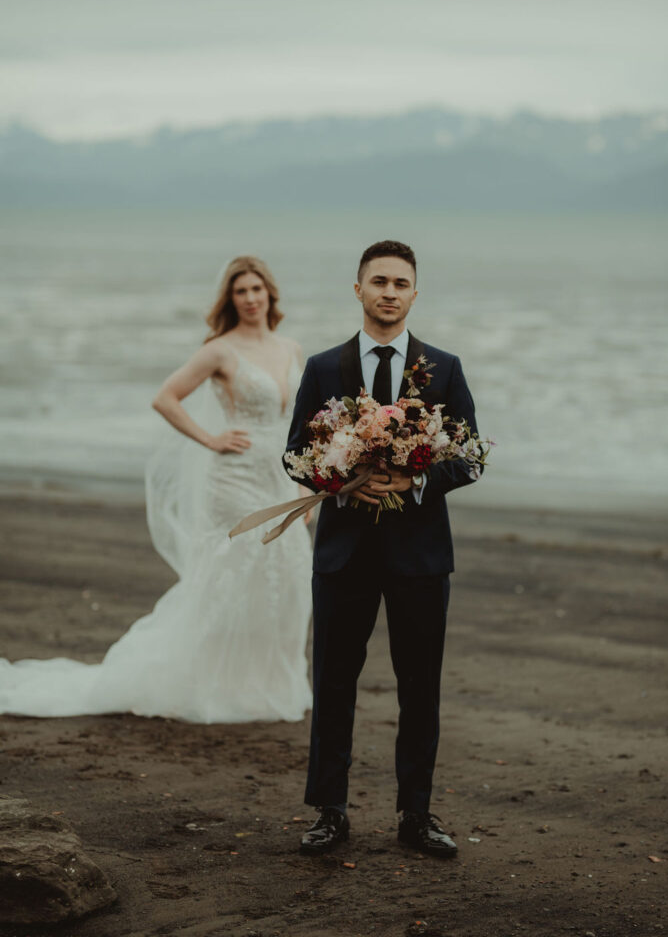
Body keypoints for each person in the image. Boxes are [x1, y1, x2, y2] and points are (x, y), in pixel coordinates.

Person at [0, 256, 313, 724]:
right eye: (240, 291)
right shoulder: (221, 351)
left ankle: (264, 682)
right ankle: (205, 682)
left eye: (256, 289)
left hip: (279, 476)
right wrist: (211, 438)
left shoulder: (291, 348)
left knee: (287, 576)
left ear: (271, 294)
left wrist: (304, 485)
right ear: (231, 300)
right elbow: (165, 397)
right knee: (230, 578)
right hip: (233, 480)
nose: (250, 299)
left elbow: (299, 422)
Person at [285, 240, 481, 857]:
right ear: (359, 290)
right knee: (334, 683)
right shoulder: (323, 368)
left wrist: (416, 478)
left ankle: (416, 816)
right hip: (343, 554)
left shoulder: (444, 367)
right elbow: (295, 454)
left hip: (420, 557)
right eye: (378, 281)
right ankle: (329, 812)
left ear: (414, 293)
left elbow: (471, 456)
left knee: (420, 686)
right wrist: (343, 482)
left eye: (401, 283)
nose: (389, 292)